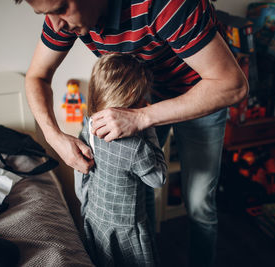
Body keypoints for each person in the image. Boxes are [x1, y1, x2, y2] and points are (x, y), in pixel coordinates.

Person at [18, 0, 248, 266]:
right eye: (44, 13)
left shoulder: (168, 5)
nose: (55, 23)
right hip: (144, 99)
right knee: (140, 192)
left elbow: (234, 86)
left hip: (205, 97)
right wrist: (54, 137)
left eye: (59, 8)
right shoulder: (62, 17)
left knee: (199, 204)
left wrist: (142, 117)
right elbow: (37, 76)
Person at [74, 53, 166, 267]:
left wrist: (86, 206)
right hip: (126, 228)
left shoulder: (89, 125)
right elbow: (158, 178)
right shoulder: (136, 147)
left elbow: (82, 174)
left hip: (95, 216)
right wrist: (148, 125)